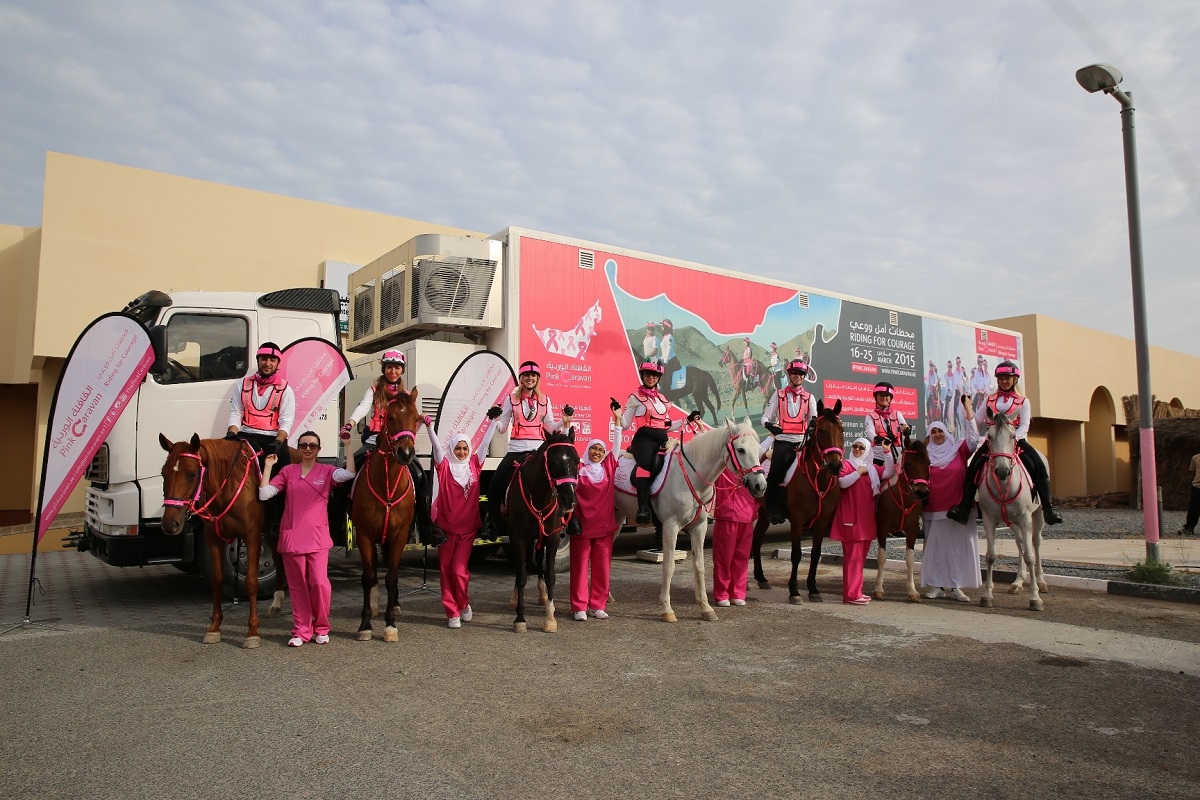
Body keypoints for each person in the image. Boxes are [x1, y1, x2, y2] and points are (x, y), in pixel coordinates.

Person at [259, 431, 355, 647]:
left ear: (319, 449)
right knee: (298, 586)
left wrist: (347, 445)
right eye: (303, 445)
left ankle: (321, 627)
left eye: (312, 445)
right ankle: (301, 631)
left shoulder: (327, 471)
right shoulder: (287, 471)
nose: (308, 448)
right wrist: (267, 467)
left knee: (319, 583)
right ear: (299, 448)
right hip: (293, 538)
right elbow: (264, 494)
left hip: (317, 539)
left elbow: (349, 474)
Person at [946, 360, 1063, 525]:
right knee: (973, 468)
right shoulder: (989, 399)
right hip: (993, 443)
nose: (1004, 381)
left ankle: (1048, 508)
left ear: (1014, 380)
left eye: (1007, 378)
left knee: (1038, 464)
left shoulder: (1023, 401)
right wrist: (968, 408)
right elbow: (978, 419)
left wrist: (1012, 439)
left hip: (1016, 440)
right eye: (1001, 378)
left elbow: (1024, 425)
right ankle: (963, 508)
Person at [340, 350, 432, 542]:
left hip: (397, 444)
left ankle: (425, 525)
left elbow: (411, 420)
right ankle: (338, 519)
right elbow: (364, 407)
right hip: (374, 441)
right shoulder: (374, 391)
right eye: (389, 367)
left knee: (420, 476)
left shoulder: (407, 396)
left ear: (402, 371)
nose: (393, 371)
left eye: (397, 368)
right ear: (384, 369)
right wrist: (350, 423)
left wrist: (422, 419)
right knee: (345, 474)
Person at [482, 360, 573, 538]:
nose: (530, 378)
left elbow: (551, 427)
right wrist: (494, 419)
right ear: (521, 378)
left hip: (538, 450)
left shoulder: (545, 400)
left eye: (533, 376)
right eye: (526, 376)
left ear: (537, 379)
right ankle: (491, 522)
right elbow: (502, 428)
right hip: (516, 449)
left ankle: (568, 519)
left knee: (562, 478)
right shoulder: (511, 399)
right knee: (495, 481)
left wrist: (564, 420)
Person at [424, 414, 499, 628]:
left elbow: (485, 444)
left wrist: (493, 422)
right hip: (445, 529)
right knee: (446, 571)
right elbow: (437, 449)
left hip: (467, 530)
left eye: (465, 448)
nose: (462, 452)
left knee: (458, 570)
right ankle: (452, 611)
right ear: (452, 449)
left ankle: (463, 603)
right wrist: (430, 428)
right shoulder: (444, 466)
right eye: (458, 448)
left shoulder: (475, 464)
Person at [620, 359, 701, 523]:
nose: (651, 378)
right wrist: (617, 416)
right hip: (644, 440)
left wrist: (688, 419)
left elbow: (667, 425)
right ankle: (643, 507)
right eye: (648, 374)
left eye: (655, 375)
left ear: (658, 378)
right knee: (647, 465)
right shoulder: (635, 398)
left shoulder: (663, 399)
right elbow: (625, 424)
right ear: (643, 376)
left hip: (662, 439)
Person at [919, 406, 981, 602]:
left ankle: (955, 587)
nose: (937, 434)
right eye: (933, 432)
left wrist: (970, 415)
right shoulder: (925, 456)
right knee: (936, 549)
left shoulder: (959, 449)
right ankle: (936, 585)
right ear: (929, 436)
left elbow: (973, 439)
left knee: (956, 550)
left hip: (957, 509)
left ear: (946, 433)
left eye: (940, 431)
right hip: (934, 509)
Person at [569, 402, 624, 621]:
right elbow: (566, 445)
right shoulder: (578, 468)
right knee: (580, 568)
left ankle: (597, 605)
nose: (597, 452)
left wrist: (618, 420)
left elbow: (617, 445)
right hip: (582, 526)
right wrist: (566, 426)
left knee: (602, 569)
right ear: (587, 450)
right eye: (594, 448)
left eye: (601, 450)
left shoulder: (609, 466)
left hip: (604, 528)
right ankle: (579, 607)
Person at [831, 437, 893, 605]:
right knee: (852, 558)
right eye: (855, 446)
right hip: (850, 518)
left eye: (860, 447)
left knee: (859, 559)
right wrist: (859, 472)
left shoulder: (872, 468)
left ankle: (856, 591)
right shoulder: (845, 465)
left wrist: (887, 451)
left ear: (866, 450)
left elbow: (889, 471)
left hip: (865, 521)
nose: (857, 449)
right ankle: (850, 595)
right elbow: (842, 483)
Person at [761, 358, 816, 524]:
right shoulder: (778, 395)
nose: (798, 376)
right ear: (789, 374)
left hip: (802, 441)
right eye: (795, 373)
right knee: (776, 472)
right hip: (784, 440)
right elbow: (765, 417)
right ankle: (772, 508)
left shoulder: (810, 397)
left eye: (801, 374)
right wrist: (770, 425)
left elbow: (814, 418)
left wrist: (814, 424)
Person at [226, 341, 295, 469]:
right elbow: (236, 412)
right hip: (246, 434)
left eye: (272, 360)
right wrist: (232, 433)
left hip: (272, 438)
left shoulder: (285, 389)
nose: (267, 363)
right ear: (258, 360)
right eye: (263, 359)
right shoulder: (242, 384)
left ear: (278, 363)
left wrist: (278, 442)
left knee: (282, 469)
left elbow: (287, 420)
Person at [711, 455, 759, 608]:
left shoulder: (753, 466)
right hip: (727, 516)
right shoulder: (722, 466)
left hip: (747, 517)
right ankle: (722, 593)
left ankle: (738, 592)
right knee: (723, 558)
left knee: (742, 558)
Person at [863, 381, 910, 466]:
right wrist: (880, 439)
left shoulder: (897, 414)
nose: (884, 398)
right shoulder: (870, 416)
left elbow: (904, 426)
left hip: (897, 454)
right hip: (879, 456)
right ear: (876, 397)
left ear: (891, 398)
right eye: (881, 395)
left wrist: (907, 430)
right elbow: (870, 433)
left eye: (887, 395)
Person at [1180, 451, 1200, 536]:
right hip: (1197, 486)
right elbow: (1191, 471)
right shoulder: (1195, 458)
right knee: (1194, 509)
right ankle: (1189, 528)